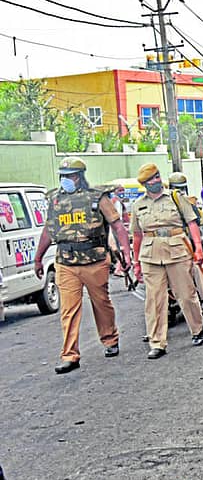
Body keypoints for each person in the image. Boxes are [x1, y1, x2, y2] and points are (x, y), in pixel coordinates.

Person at [33, 157, 131, 374]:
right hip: (66, 262)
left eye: (70, 176)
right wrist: (38, 258)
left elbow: (117, 225)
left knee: (101, 303)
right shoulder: (55, 200)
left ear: (80, 177)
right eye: (63, 176)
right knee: (68, 310)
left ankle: (110, 339)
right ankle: (70, 355)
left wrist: (126, 252)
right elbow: (48, 230)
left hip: (94, 260)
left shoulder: (97, 197)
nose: (66, 179)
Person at [131, 163, 203, 359]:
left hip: (177, 250)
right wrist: (136, 262)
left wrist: (198, 248)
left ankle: (197, 329)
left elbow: (192, 223)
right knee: (154, 300)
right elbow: (137, 235)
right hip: (150, 254)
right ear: (145, 184)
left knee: (186, 294)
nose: (156, 181)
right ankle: (157, 342)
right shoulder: (138, 205)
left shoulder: (176, 197)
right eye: (151, 179)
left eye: (157, 176)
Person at [168, 172, 203, 320]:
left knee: (198, 268)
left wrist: (199, 250)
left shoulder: (192, 205)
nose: (179, 192)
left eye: (181, 188)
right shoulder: (165, 206)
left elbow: (200, 228)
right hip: (170, 251)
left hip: (190, 250)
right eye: (175, 188)